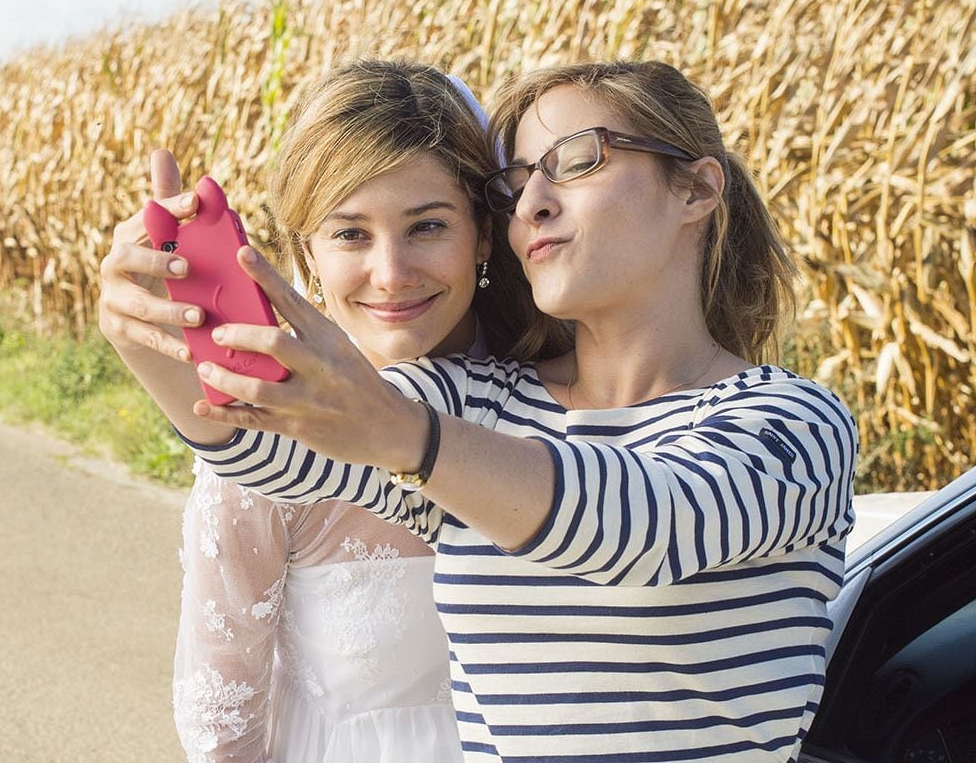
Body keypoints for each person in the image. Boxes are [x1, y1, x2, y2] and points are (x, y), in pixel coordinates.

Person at [103, 60, 857, 762]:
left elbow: (646, 526)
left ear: (695, 190)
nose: (533, 200)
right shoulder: (482, 402)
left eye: (578, 159)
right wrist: (158, 341)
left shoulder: (795, 423)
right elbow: (277, 451)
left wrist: (405, 435)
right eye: (519, 181)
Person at [100, 60, 560, 762]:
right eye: (351, 234)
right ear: (306, 252)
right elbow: (224, 730)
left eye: (427, 225)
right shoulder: (265, 449)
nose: (391, 271)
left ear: (485, 235)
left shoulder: (566, 398)